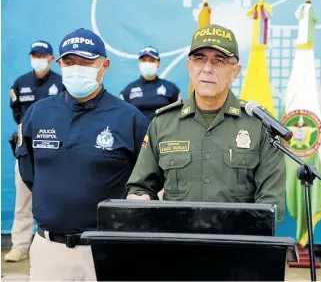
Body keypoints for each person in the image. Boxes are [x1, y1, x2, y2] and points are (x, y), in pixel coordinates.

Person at [15, 28, 149, 281]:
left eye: (86, 62)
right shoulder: (38, 113)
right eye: (69, 61)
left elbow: (145, 180)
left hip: (108, 251)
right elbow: (30, 173)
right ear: (60, 64)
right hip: (50, 252)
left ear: (104, 65)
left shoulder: (130, 119)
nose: (76, 68)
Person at [126, 24, 286, 222]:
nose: (207, 69)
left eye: (218, 61)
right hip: (177, 245)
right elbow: (141, 187)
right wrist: (139, 200)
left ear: (234, 72)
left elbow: (271, 204)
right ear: (189, 67)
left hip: (237, 248)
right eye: (199, 59)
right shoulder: (163, 123)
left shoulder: (259, 126)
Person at [5, 40, 64, 262]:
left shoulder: (61, 83)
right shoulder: (20, 83)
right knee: (23, 199)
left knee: (59, 197)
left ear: (51, 59)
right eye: (34, 55)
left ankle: (56, 245)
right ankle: (20, 246)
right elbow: (18, 114)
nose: (38, 59)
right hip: (26, 150)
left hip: (56, 150)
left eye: (43, 55)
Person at [120, 46, 181, 122]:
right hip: (137, 132)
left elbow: (179, 115)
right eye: (144, 60)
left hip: (163, 131)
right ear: (139, 63)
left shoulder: (171, 88)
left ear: (158, 63)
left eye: (152, 60)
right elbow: (123, 117)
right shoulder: (128, 90)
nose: (147, 63)